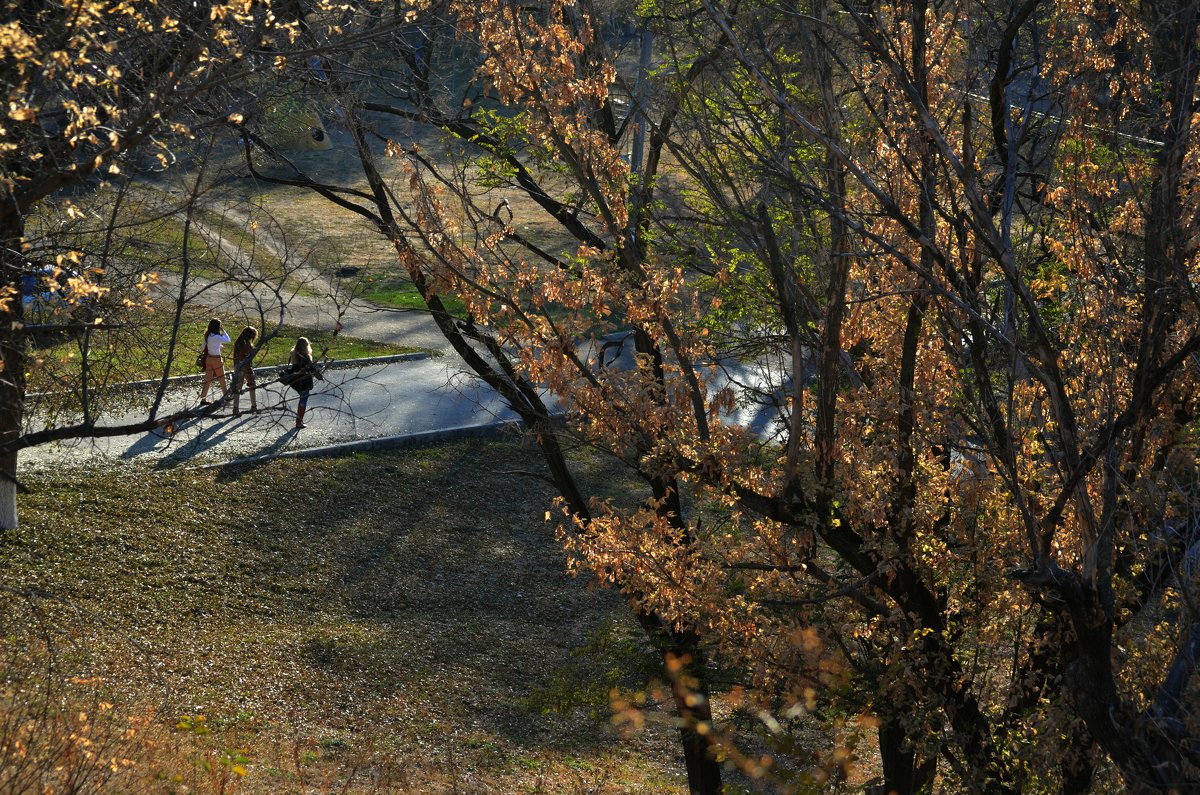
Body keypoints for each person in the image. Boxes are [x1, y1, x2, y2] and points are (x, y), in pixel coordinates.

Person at [286, 336, 323, 429]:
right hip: (304, 382)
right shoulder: (306, 357)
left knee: (301, 399)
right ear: (306, 346)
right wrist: (320, 377)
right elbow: (312, 370)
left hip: (295, 382)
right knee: (303, 401)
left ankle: (299, 420)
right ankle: (299, 422)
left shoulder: (293, 354)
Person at [198, 318, 231, 405]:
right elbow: (228, 340)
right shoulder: (217, 337)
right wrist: (223, 330)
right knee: (222, 378)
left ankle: (203, 398)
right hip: (216, 359)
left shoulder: (207, 335)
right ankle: (226, 396)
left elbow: (202, 347)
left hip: (209, 358)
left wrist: (215, 346)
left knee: (208, 379)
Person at [231, 326, 259, 416]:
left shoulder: (238, 343)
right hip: (245, 367)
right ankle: (254, 406)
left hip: (237, 367)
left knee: (237, 388)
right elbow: (247, 358)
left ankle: (236, 408)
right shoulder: (246, 345)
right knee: (252, 386)